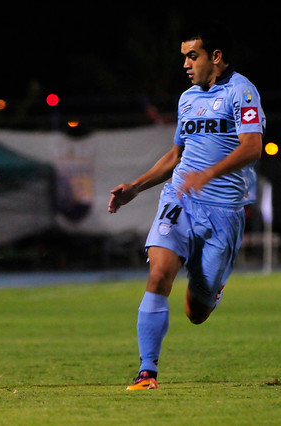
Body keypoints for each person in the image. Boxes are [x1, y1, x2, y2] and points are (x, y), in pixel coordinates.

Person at [108, 22, 265, 390]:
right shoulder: (187, 98)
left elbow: (252, 147)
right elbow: (177, 155)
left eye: (192, 56)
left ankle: (212, 289)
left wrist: (209, 174)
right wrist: (136, 187)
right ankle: (148, 373)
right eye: (184, 57)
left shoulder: (242, 92)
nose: (186, 64)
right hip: (180, 200)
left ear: (216, 57)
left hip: (224, 213)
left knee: (196, 313)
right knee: (159, 273)